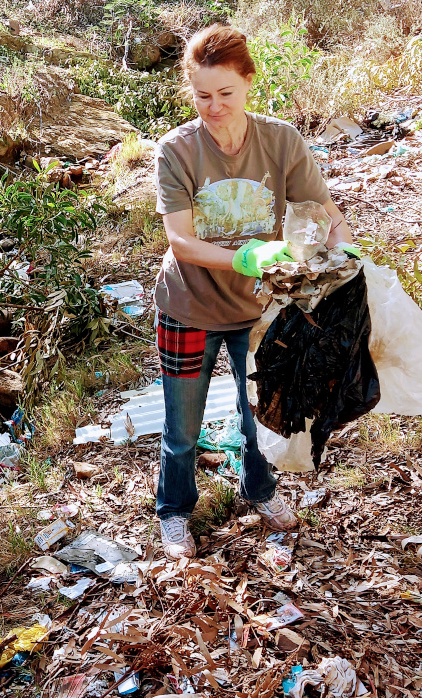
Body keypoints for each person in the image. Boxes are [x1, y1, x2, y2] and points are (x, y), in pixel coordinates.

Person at [153, 24, 357, 559]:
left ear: (248, 81)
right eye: (202, 95)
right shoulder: (177, 150)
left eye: (226, 92)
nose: (214, 107)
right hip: (189, 307)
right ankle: (174, 510)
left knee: (259, 416)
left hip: (259, 307)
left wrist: (347, 253)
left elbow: (324, 213)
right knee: (182, 428)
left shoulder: (280, 141)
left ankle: (260, 489)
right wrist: (244, 257)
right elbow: (181, 241)